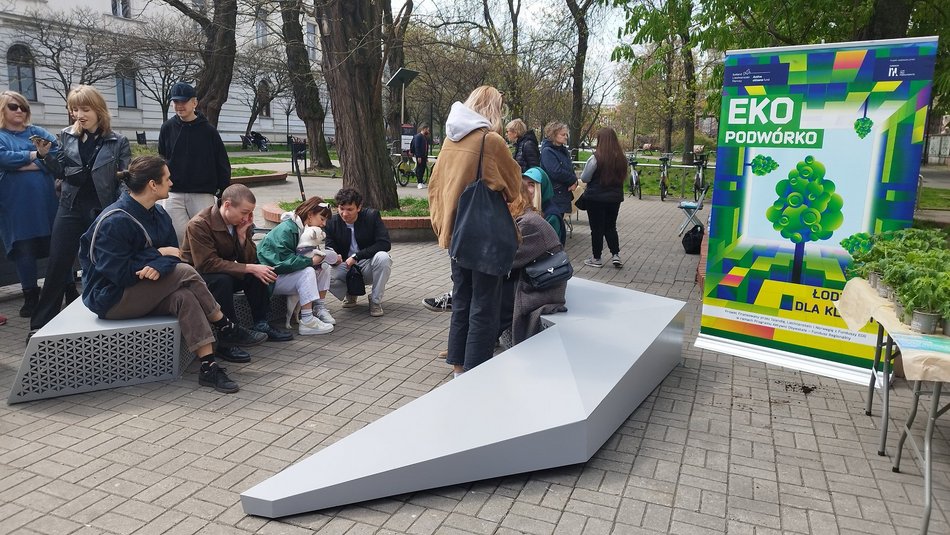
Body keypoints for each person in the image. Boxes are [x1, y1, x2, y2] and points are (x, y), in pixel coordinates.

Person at [78, 155, 245, 393]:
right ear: (152, 185)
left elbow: (175, 255)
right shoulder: (114, 221)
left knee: (184, 297)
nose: (172, 183)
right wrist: (157, 255)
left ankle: (208, 367)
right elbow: (120, 274)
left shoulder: (158, 213)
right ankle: (224, 324)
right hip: (110, 298)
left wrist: (159, 263)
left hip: (139, 288)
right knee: (186, 272)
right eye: (167, 179)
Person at [428, 85, 521, 376]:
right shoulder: (490, 141)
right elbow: (513, 186)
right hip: (484, 236)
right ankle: (475, 372)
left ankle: (458, 367)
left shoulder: (450, 139)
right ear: (494, 109)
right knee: (485, 305)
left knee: (462, 299)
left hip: (457, 233)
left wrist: (443, 226)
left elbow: (435, 185)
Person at [30, 85, 132, 334]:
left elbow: (126, 180)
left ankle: (103, 318)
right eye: (75, 109)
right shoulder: (66, 135)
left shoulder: (118, 141)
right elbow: (61, 172)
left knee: (101, 264)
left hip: (101, 209)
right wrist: (46, 156)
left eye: (85, 109)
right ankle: (40, 326)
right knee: (57, 265)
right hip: (70, 206)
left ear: (99, 110)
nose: (79, 114)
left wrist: (115, 210)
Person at [181, 184, 293, 362]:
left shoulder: (241, 223)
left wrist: (241, 238)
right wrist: (248, 267)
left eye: (250, 213)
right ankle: (227, 339)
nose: (248, 218)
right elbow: (206, 264)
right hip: (197, 278)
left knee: (257, 272)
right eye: (244, 212)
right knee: (224, 279)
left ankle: (261, 323)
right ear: (227, 205)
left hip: (220, 271)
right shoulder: (199, 224)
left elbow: (249, 259)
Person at [0, 91, 58, 317]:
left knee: (57, 246)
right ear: (3, 109)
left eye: (23, 107)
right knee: (23, 249)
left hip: (47, 204)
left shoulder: (37, 132)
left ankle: (66, 289)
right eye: (13, 106)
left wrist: (21, 163)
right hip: (15, 207)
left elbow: (58, 154)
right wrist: (36, 155)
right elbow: (2, 157)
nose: (19, 111)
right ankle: (30, 297)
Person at [158, 81, 231, 245]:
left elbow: (222, 164)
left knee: (203, 236)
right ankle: (183, 268)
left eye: (183, 101)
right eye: (176, 102)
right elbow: (162, 159)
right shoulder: (167, 128)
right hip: (173, 193)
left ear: (194, 102)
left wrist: (223, 193)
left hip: (202, 193)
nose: (179, 106)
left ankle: (204, 268)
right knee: (177, 237)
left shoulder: (208, 131)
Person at [499, 176, 568, 347]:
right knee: (484, 291)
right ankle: (469, 348)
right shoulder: (526, 218)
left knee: (489, 295)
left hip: (542, 287)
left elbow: (506, 261)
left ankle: (472, 353)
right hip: (535, 279)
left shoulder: (529, 223)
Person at [257, 197, 338, 335]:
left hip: (280, 275)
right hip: (270, 279)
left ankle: (319, 308)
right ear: (310, 214)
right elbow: (281, 263)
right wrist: (311, 261)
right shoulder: (287, 229)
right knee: (308, 271)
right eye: (322, 218)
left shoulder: (302, 228)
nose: (324, 224)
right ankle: (307, 320)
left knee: (325, 267)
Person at [324, 188, 393, 317]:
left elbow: (384, 243)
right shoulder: (332, 223)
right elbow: (329, 246)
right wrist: (334, 257)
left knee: (383, 258)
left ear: (359, 207)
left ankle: (375, 300)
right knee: (322, 271)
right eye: (341, 208)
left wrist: (357, 256)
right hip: (345, 265)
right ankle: (350, 293)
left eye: (349, 209)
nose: (344, 214)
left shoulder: (371, 216)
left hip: (368, 264)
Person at [579, 127, 628, 268]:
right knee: (611, 227)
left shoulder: (595, 158)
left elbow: (585, 177)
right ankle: (615, 254)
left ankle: (596, 258)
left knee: (597, 229)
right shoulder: (622, 159)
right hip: (614, 199)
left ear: (601, 140)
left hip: (595, 199)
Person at [539, 121, 577, 244]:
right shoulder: (548, 151)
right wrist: (571, 179)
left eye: (566, 134)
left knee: (559, 222)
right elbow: (555, 171)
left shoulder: (563, 150)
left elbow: (569, 168)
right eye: (562, 134)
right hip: (555, 193)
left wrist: (574, 180)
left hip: (562, 192)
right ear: (554, 134)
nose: (566, 137)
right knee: (554, 223)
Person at [410, 124, 430, 189]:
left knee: (423, 168)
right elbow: (417, 147)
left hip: (423, 156)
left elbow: (425, 148)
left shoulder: (424, 137)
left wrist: (426, 157)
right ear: (424, 129)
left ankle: (421, 182)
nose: (428, 131)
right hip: (420, 156)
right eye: (427, 130)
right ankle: (419, 183)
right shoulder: (419, 137)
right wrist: (418, 156)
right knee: (419, 169)